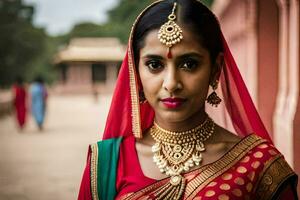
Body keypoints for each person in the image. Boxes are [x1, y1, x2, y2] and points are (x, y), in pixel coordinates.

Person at [78, 0, 298, 199]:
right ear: (136, 71)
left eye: (189, 64)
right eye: (155, 65)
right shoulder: (107, 163)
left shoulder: (258, 164)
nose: (172, 83)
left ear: (215, 69)